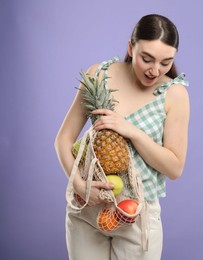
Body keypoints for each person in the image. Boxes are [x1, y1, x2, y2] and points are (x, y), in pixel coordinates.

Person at [55, 14, 190, 260]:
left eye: (165, 62)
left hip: (136, 214)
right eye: (146, 59)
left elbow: (175, 167)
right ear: (131, 47)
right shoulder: (99, 74)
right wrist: (78, 184)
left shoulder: (174, 94)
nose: (154, 70)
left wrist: (131, 131)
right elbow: (63, 139)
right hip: (88, 208)